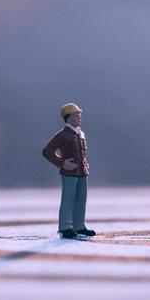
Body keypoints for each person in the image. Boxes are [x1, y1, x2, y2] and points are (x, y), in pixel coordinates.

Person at [41, 102, 95, 239]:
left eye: (80, 115)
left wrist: (85, 163)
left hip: (82, 172)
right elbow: (47, 151)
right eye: (77, 115)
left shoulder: (81, 133)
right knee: (68, 200)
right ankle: (65, 227)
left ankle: (79, 226)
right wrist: (62, 163)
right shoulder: (63, 134)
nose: (80, 117)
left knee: (81, 200)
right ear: (69, 117)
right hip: (69, 173)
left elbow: (82, 152)